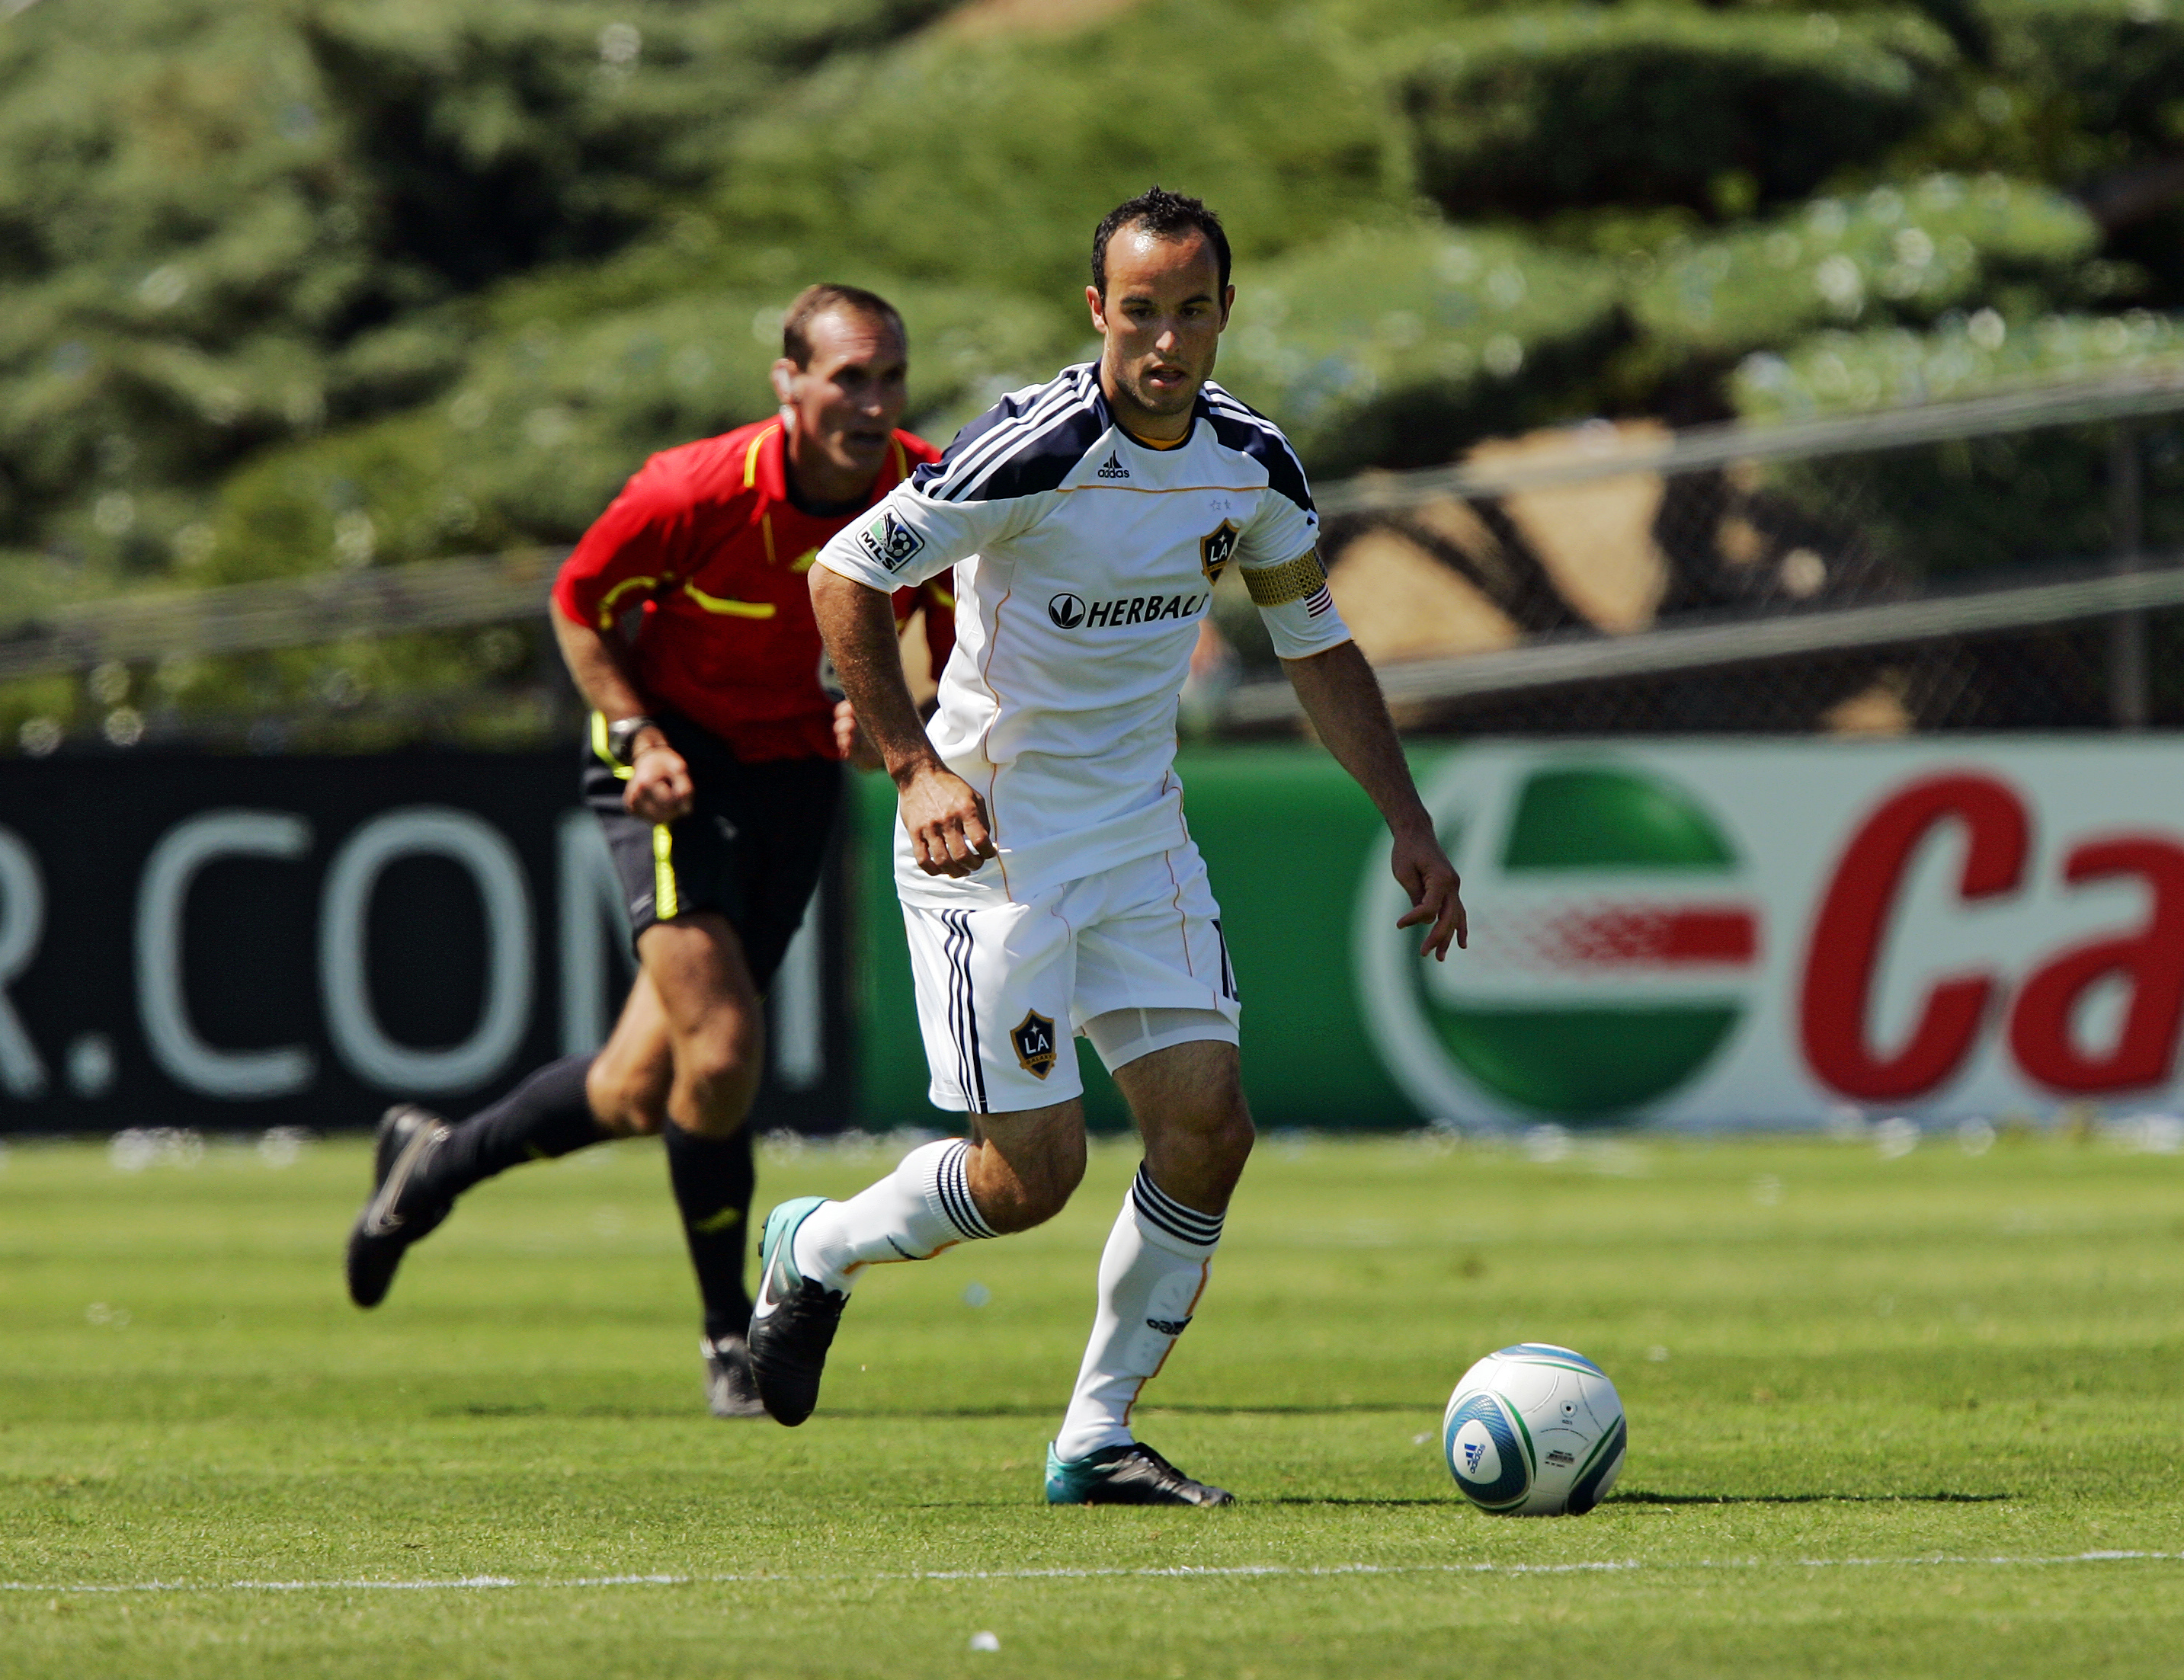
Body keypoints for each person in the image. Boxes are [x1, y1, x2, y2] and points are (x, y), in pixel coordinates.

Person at [780, 189, 1468, 1504]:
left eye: (1191, 310)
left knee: (1208, 1128)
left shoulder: (1251, 463)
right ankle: (817, 1247)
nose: (1165, 339)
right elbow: (844, 575)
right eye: (1139, 311)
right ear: (1097, 312)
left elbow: (1315, 641)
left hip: (1141, 833)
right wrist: (914, 763)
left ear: (1225, 314)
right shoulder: (1032, 450)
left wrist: (1408, 820)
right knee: (1027, 1179)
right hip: (991, 844)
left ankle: (1096, 1439)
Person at [345, 284, 953, 1419]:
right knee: (719, 1056)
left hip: (792, 781)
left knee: (639, 1088)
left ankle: (436, 1164)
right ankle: (734, 1333)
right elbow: (577, 603)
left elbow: (954, 650)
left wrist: (893, 729)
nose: (872, 404)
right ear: (788, 384)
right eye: (846, 378)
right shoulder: (694, 491)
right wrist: (636, 735)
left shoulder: (927, 496)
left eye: (889, 379)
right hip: (666, 773)